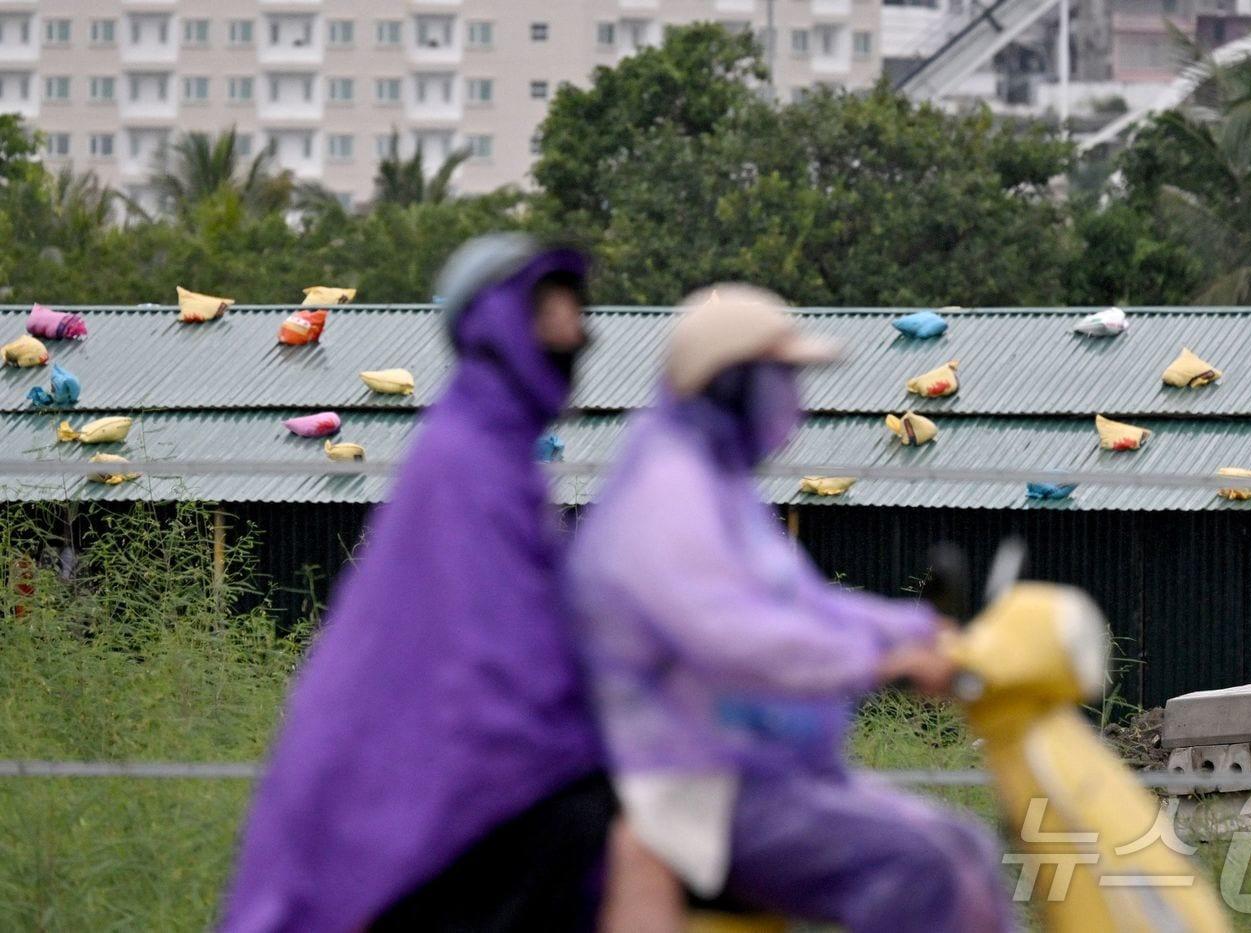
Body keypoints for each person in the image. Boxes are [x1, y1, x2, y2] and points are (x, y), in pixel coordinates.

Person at [568, 285, 1015, 933]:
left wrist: (917, 627)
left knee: (966, 844)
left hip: (758, 772)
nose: (793, 400)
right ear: (730, 382)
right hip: (691, 789)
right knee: (919, 867)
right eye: (780, 378)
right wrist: (878, 657)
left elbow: (803, 603)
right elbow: (728, 634)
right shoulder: (668, 490)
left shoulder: (715, 481)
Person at [222, 234, 621, 932]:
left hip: (447, 787)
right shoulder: (467, 463)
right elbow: (504, 668)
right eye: (555, 311)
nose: (579, 332)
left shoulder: (496, 453)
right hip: (411, 815)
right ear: (501, 326)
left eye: (576, 310)